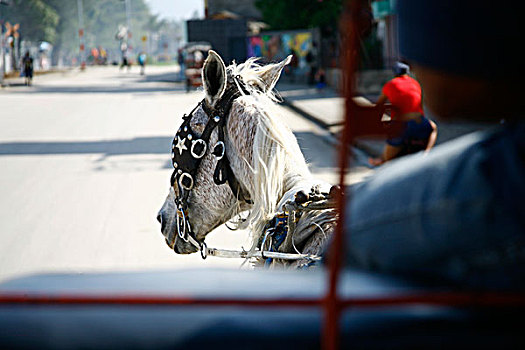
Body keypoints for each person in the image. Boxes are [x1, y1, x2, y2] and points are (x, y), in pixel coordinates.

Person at [345, 0, 524, 290]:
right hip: (426, 126)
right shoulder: (413, 85)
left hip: (405, 128)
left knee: (348, 235)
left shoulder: (393, 85)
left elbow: (382, 107)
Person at [369, 62, 437, 166]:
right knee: (433, 128)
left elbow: (379, 106)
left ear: (395, 73)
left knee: (387, 161)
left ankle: (382, 160)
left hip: (400, 127)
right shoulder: (416, 83)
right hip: (419, 124)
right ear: (407, 73)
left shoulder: (391, 84)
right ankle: (427, 153)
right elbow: (420, 105)